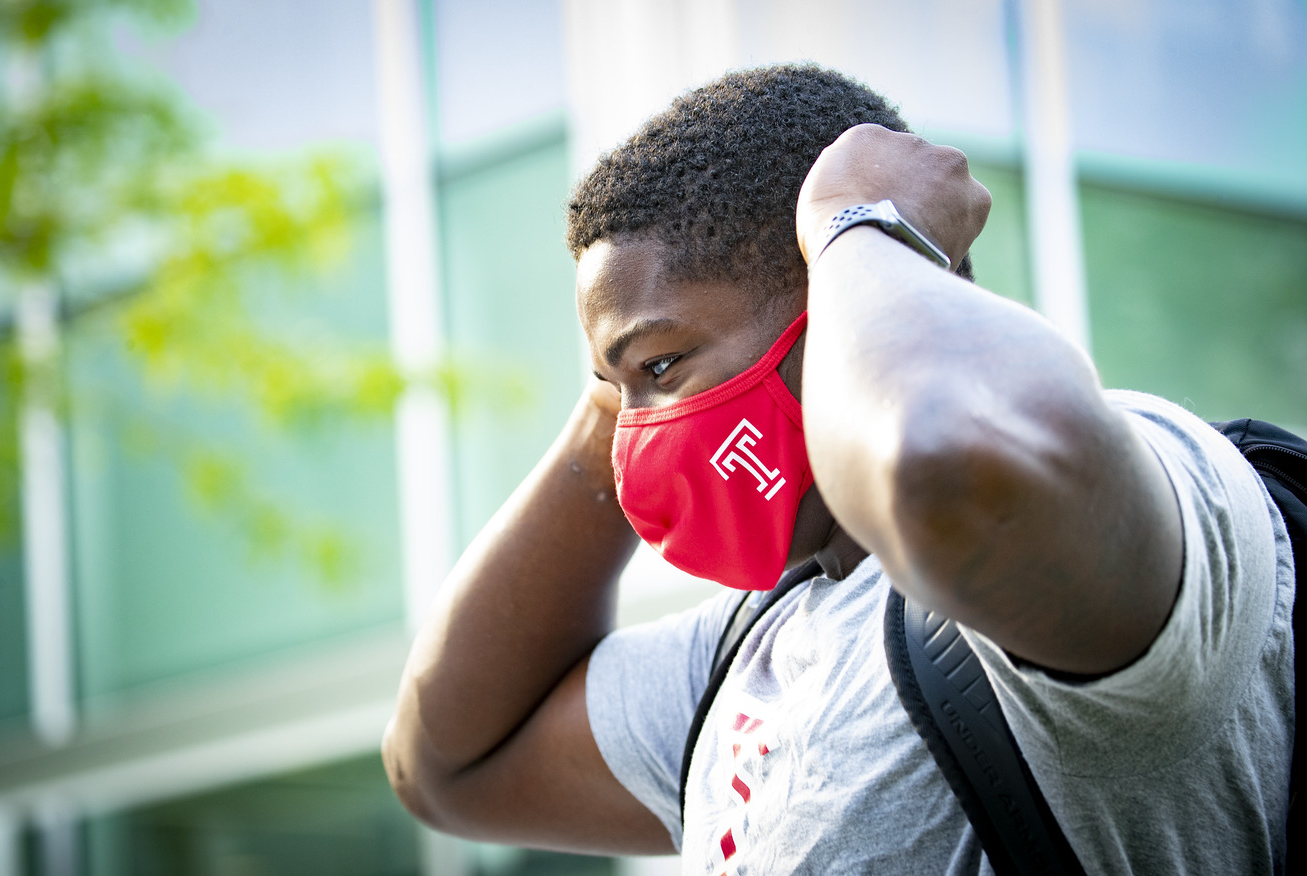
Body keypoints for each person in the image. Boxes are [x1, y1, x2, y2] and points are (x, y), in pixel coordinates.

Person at [382, 65, 1294, 873]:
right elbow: (446, 763)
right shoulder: (750, 651)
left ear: (839, 288)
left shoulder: (1149, 483)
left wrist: (861, 229)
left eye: (662, 367)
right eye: (618, 396)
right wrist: (616, 386)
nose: (634, 443)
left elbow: (954, 472)